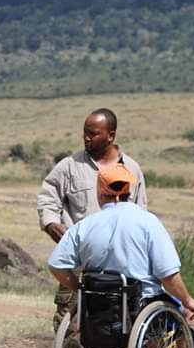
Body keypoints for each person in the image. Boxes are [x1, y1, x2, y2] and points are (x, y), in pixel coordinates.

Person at [47, 164, 194, 348]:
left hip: (98, 311)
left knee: (145, 310)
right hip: (140, 308)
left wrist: (79, 288)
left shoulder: (84, 226)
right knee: (185, 316)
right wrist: (187, 300)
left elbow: (56, 265)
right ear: (130, 191)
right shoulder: (148, 223)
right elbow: (168, 275)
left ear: (99, 192)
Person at [37, 108, 148, 333]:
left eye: (94, 133)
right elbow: (48, 198)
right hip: (79, 262)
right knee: (71, 327)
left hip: (119, 266)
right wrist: (51, 224)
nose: (87, 138)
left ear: (111, 136)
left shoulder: (131, 169)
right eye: (85, 133)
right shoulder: (69, 166)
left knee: (111, 329)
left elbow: (140, 216)